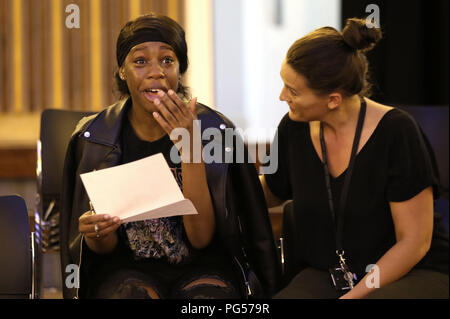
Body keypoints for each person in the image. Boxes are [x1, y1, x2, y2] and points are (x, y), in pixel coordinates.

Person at [60, 13, 280, 299]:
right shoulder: (93, 138)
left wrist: (190, 148)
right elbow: (104, 249)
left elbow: (201, 239)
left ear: (180, 70)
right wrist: (96, 232)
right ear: (122, 71)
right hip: (125, 268)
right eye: (140, 62)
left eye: (167, 60)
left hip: (205, 267)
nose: (156, 72)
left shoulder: (217, 131)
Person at [260, 18, 449, 299]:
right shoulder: (294, 127)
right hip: (332, 271)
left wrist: (355, 296)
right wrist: (211, 183)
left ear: (333, 100)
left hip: (410, 270)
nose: (282, 96)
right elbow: (269, 193)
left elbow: (413, 243)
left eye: (293, 91)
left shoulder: (397, 132)